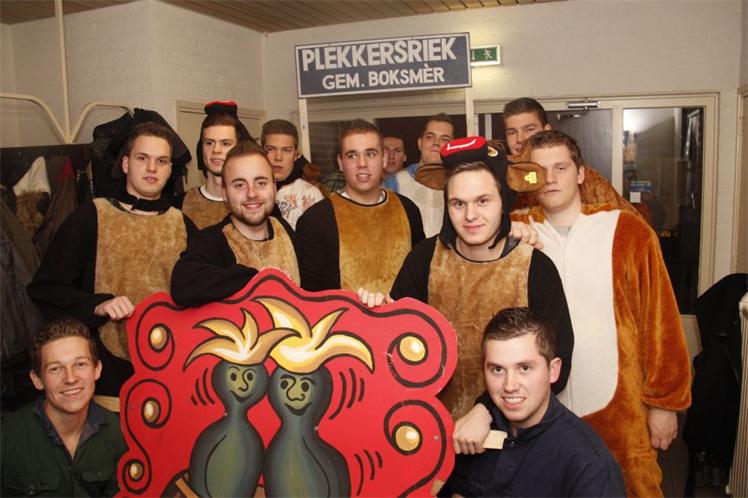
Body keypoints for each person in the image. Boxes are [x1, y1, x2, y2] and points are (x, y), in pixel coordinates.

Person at [466, 130, 691, 497]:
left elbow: (660, 320)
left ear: (582, 173)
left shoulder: (627, 230)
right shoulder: (513, 233)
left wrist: (665, 403)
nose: (551, 179)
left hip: (618, 405)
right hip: (537, 410)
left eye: (561, 168)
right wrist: (507, 230)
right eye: (539, 171)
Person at [361, 136, 573, 419]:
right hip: (435, 427)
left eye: (483, 201)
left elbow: (558, 366)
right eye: (458, 204)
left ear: (503, 201)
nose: (470, 215)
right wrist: (376, 320)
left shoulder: (535, 268)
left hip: (513, 433)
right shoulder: (424, 259)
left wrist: (487, 411)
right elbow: (397, 354)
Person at [27, 122, 197, 408]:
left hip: (172, 369)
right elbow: (45, 289)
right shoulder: (90, 217)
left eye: (161, 161)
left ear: (170, 169)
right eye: (143, 158)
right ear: (126, 164)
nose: (152, 168)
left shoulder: (183, 225)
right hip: (108, 376)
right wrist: (97, 305)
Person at [439, 307, 625, 498]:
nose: (510, 386)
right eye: (497, 369)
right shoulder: (475, 431)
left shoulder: (589, 465)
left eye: (525, 368)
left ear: (553, 371)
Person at [296, 119, 424, 294]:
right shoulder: (316, 220)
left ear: (384, 159)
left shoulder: (408, 210)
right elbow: (310, 295)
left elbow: (420, 279)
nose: (362, 163)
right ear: (340, 163)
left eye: (370, 154)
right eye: (352, 155)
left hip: (403, 312)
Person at [1, 318, 127, 497]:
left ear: (97, 369)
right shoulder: (7, 437)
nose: (70, 378)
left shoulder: (117, 431)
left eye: (80, 364)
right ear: (37, 379)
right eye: (55, 369)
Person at [171, 141, 299, 307]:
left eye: (261, 183)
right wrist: (257, 278)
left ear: (274, 187)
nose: (251, 193)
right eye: (239, 185)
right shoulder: (210, 241)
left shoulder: (284, 229)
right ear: (225, 193)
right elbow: (183, 284)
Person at [502, 97, 636, 213]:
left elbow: (629, 223)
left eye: (529, 129)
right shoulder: (498, 177)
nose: (520, 139)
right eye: (512, 132)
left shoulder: (586, 179)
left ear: (546, 130)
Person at [179, 100, 254, 229]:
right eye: (209, 143)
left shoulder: (255, 203)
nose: (216, 150)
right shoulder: (180, 204)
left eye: (225, 143)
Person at [392, 113, 454, 237]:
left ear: (452, 146)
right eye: (430, 137)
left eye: (445, 139)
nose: (436, 143)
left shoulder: (459, 183)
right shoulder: (394, 182)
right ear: (420, 143)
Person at [260, 119, 324, 229]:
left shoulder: (310, 195)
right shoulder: (250, 190)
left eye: (286, 150)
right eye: (271, 149)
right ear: (261, 152)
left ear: (295, 155)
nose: (278, 157)